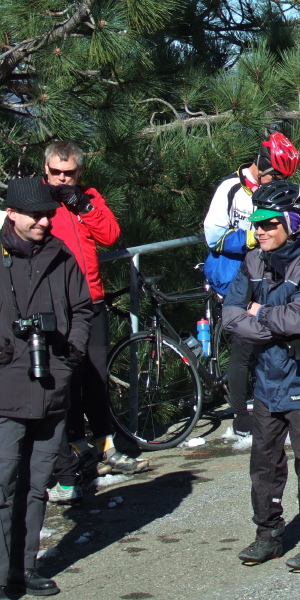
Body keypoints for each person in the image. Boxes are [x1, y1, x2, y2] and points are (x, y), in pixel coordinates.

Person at [223, 180, 300, 574]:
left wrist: (260, 314)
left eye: (270, 224)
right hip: (268, 376)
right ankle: (267, 534)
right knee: (264, 463)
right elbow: (231, 316)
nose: (260, 231)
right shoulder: (253, 262)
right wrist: (273, 322)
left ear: (291, 222)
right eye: (256, 224)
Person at [38, 141, 145, 509]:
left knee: (96, 378)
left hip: (92, 301)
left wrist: (82, 205)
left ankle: (104, 444)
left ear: (79, 173)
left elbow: (111, 235)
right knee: (64, 380)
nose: (62, 179)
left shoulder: (88, 198)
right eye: (56, 173)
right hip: (57, 307)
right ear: (46, 170)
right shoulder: (36, 202)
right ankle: (72, 452)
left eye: (69, 173)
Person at [0, 178, 92, 598]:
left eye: (48, 214)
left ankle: (24, 568)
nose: (43, 221)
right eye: (35, 214)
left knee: (37, 485)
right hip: (5, 390)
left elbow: (82, 310)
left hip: (52, 384)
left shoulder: (61, 256)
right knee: (4, 484)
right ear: (12, 214)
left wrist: (70, 356)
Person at [204, 131, 300, 436]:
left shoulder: (275, 189)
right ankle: (239, 414)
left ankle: (273, 401)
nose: (275, 182)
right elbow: (212, 238)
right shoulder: (230, 189)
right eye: (273, 175)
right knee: (244, 347)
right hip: (234, 277)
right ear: (259, 163)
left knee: (271, 339)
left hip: (267, 277)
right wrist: (252, 235)